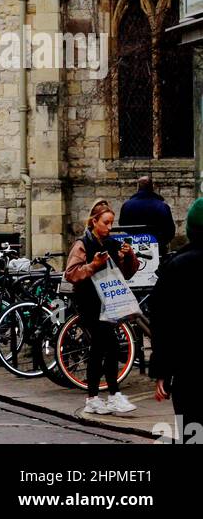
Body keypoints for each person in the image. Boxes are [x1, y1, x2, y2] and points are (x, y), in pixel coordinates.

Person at [64, 200, 140, 416]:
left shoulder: (112, 244)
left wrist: (129, 256)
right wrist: (93, 265)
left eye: (111, 223)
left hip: (109, 302)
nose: (109, 227)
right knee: (108, 346)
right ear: (94, 221)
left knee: (101, 349)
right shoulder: (82, 244)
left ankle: (95, 398)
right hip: (90, 302)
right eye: (105, 223)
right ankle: (110, 396)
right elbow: (71, 273)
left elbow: (125, 274)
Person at [148, 196, 203, 440]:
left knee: (194, 434)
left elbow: (162, 323)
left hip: (190, 373)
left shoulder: (177, 267)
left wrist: (162, 371)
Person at [119, 176, 176, 257]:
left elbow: (122, 225)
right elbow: (170, 231)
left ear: (138, 187)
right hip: (157, 248)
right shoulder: (162, 206)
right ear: (152, 187)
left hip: (133, 248)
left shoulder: (127, 205)